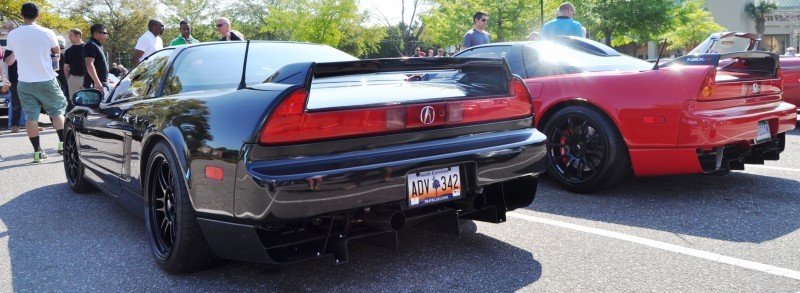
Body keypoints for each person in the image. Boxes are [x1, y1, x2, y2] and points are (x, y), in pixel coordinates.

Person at [6, 2, 69, 162]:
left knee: (31, 118)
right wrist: (54, 65)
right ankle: (62, 145)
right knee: (57, 112)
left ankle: (37, 152)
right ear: (38, 16)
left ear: (21, 15)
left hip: (25, 81)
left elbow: (9, 59)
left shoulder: (13, 34)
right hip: (46, 78)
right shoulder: (47, 32)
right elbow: (57, 52)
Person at [84, 23, 110, 95]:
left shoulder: (98, 45)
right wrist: (97, 82)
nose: (106, 35)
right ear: (96, 33)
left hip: (100, 82)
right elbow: (89, 64)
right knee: (94, 105)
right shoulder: (91, 45)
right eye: (104, 33)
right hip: (94, 84)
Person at [63, 28, 85, 99]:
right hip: (73, 78)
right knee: (74, 101)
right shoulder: (68, 51)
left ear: (78, 36)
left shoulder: (88, 48)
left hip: (87, 78)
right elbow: (66, 66)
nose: (69, 37)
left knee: (88, 100)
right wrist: (68, 79)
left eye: (71, 35)